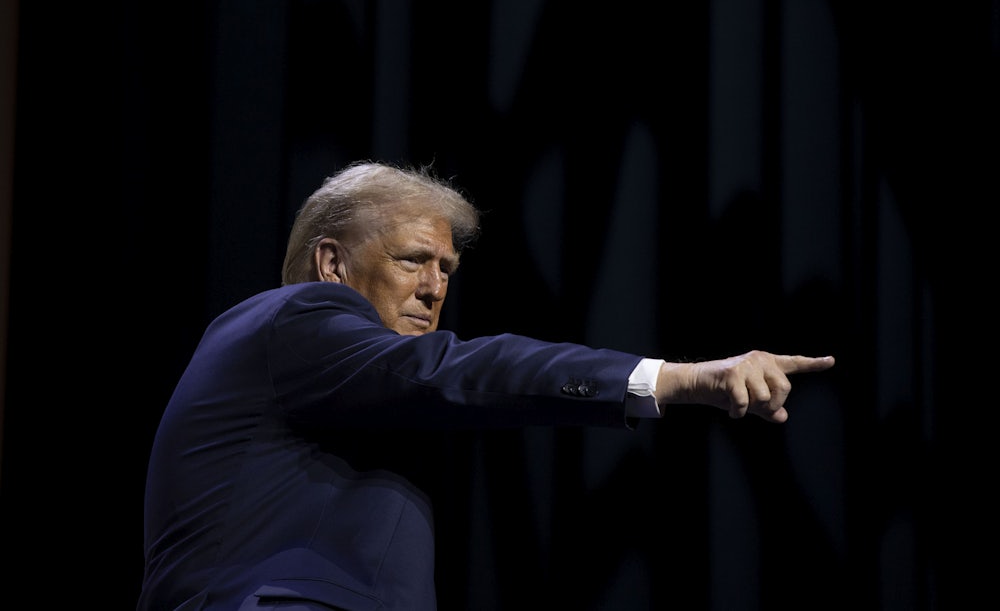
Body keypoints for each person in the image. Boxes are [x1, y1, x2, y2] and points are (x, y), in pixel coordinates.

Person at [137, 159, 835, 611]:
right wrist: (676, 378)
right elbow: (458, 370)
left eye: (446, 269)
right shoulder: (299, 316)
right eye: (414, 260)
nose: (434, 287)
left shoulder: (337, 385)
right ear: (331, 261)